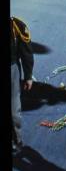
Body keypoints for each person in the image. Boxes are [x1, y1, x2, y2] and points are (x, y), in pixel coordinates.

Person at [11, 16, 34, 155]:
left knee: (13, 111)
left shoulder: (16, 26)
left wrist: (28, 76)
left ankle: (16, 141)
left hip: (11, 69)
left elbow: (26, 52)